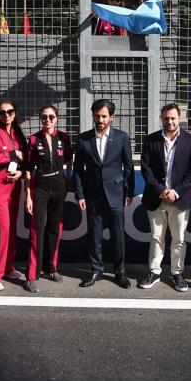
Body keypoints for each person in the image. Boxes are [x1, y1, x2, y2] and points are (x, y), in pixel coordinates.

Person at [139, 103, 191, 291]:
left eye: (173, 118)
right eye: (166, 118)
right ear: (162, 118)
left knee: (178, 238)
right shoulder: (151, 140)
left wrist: (175, 192)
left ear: (179, 119)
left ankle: (177, 273)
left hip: (180, 199)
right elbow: (145, 168)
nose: (169, 121)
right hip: (156, 197)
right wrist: (160, 190)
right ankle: (154, 272)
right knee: (157, 237)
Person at [74, 99, 136, 288]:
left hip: (116, 193)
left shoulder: (121, 137)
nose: (100, 119)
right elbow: (78, 170)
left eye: (104, 116)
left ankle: (119, 271)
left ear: (111, 117)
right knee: (94, 235)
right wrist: (80, 195)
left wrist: (128, 192)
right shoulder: (84, 138)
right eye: (97, 116)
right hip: (93, 194)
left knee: (118, 234)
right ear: (93, 116)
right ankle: (96, 270)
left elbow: (129, 167)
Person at [24, 105, 74, 293]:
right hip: (41, 187)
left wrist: (67, 177)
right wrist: (28, 195)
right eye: (44, 117)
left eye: (51, 117)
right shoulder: (33, 139)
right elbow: (29, 169)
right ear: (40, 119)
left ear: (57, 118)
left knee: (55, 228)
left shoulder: (63, 137)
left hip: (59, 185)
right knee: (37, 231)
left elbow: (70, 158)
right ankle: (31, 275)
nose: (47, 120)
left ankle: (50, 268)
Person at [0, 99, 28, 291]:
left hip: (14, 187)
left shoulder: (17, 133)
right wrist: (12, 154)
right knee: (1, 230)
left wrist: (20, 170)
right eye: (2, 113)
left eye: (10, 112)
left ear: (15, 113)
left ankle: (7, 266)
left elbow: (25, 157)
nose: (6, 115)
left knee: (11, 230)